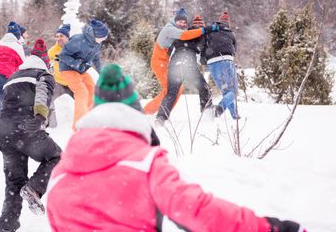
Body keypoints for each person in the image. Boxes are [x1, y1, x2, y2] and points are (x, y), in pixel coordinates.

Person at [46, 64, 304, 232]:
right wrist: (267, 228)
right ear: (135, 118)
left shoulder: (61, 174)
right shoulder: (144, 163)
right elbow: (198, 212)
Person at [0, 41, 62, 232]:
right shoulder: (43, 75)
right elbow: (43, 92)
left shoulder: (12, 77)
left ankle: (7, 227)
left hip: (5, 133)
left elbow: (4, 107)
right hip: (27, 129)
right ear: (44, 62)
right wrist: (40, 114)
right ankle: (34, 188)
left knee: (13, 182)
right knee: (58, 157)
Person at [143, 8, 205, 115]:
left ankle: (162, 112)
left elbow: (186, 35)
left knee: (177, 89)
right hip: (159, 62)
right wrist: (204, 30)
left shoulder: (176, 29)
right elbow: (185, 35)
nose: (182, 24)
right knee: (170, 90)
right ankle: (146, 112)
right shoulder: (169, 29)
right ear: (175, 20)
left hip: (164, 62)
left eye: (185, 22)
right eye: (180, 21)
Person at [156, 15, 212, 124]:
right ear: (201, 27)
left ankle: (160, 118)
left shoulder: (182, 34)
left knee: (171, 93)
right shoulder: (201, 35)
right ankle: (207, 113)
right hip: (188, 64)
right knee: (204, 88)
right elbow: (201, 52)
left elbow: (169, 49)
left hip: (174, 64)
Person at [58, 19, 109, 131]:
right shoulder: (78, 40)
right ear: (96, 34)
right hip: (67, 69)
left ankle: (89, 119)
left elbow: (96, 59)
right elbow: (63, 55)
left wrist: (102, 73)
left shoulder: (96, 44)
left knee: (92, 89)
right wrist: (77, 64)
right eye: (103, 37)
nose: (104, 39)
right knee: (82, 92)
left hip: (81, 70)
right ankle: (78, 126)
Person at [203, 11, 239, 119]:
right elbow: (234, 50)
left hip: (212, 64)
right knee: (233, 91)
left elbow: (204, 45)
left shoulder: (211, 31)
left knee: (226, 91)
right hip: (225, 61)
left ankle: (235, 115)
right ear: (228, 23)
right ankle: (220, 108)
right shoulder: (230, 33)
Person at [46, 24, 74, 128]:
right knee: (47, 100)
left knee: (85, 99)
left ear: (67, 37)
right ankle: (51, 125)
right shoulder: (53, 51)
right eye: (57, 36)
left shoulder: (74, 49)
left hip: (73, 83)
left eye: (61, 36)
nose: (58, 39)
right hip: (58, 83)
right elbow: (46, 63)